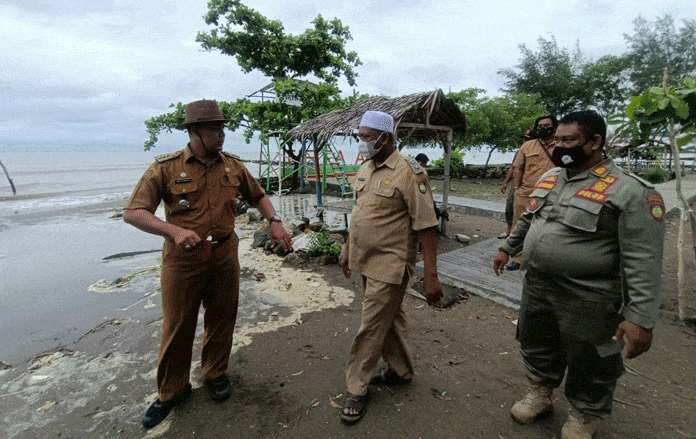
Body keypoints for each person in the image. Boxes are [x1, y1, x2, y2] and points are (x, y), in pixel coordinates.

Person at [493, 110, 665, 439]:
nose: (559, 146)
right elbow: (529, 219)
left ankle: (584, 413)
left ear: (595, 142)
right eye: (556, 139)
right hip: (539, 287)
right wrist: (507, 248)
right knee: (536, 343)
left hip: (591, 296)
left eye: (568, 140)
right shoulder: (551, 177)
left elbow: (643, 258)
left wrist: (641, 318)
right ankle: (540, 393)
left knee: (591, 357)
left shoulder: (631, 192)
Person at [123, 99, 292, 429]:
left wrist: (274, 219)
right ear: (195, 132)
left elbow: (257, 195)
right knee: (178, 326)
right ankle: (172, 391)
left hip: (225, 255)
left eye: (222, 127)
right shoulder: (166, 168)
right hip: (183, 262)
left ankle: (215, 373)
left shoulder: (233, 166)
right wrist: (173, 230)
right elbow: (134, 212)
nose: (222, 134)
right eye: (215, 128)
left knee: (223, 316)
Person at [339, 111, 443, 424]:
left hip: (391, 263)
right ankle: (402, 371)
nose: (362, 141)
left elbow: (426, 226)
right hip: (365, 260)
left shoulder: (410, 173)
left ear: (385, 137)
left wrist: (432, 276)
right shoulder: (366, 167)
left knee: (371, 325)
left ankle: (357, 387)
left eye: (367, 136)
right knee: (388, 320)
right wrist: (346, 248)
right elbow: (359, 213)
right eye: (361, 135)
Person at [507, 115, 558, 270]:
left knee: (549, 227)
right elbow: (518, 168)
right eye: (540, 125)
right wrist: (517, 189)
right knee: (519, 226)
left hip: (553, 194)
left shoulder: (562, 145)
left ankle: (544, 258)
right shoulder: (528, 146)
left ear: (554, 127)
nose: (543, 128)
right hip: (527, 193)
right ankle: (517, 258)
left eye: (547, 125)